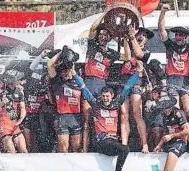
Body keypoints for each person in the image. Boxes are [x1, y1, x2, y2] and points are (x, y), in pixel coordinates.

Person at [74, 64, 141, 171]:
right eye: (103, 96)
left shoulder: (116, 103)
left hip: (112, 143)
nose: (105, 98)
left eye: (107, 96)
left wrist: (137, 73)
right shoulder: (95, 104)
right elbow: (83, 88)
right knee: (124, 148)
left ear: (112, 96)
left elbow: (128, 87)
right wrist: (74, 74)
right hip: (101, 143)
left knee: (125, 149)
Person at [159, 4, 189, 153]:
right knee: (174, 111)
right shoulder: (170, 46)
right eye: (177, 35)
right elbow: (161, 30)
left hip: (185, 82)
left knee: (188, 112)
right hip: (172, 82)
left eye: (181, 35)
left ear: (185, 37)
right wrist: (163, 12)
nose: (178, 37)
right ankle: (174, 140)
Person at [83, 18, 121, 152]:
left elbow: (127, 57)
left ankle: (100, 146)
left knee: (100, 120)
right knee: (87, 122)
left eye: (105, 35)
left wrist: (123, 35)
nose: (102, 37)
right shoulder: (92, 45)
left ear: (109, 38)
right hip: (89, 84)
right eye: (101, 35)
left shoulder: (112, 53)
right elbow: (93, 28)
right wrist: (106, 13)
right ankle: (85, 151)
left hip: (101, 86)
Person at [119, 24, 154, 153]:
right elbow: (128, 57)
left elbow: (139, 54)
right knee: (124, 115)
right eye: (140, 34)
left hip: (136, 83)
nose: (141, 37)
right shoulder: (130, 44)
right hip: (124, 83)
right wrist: (126, 38)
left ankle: (144, 144)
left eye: (144, 36)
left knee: (137, 114)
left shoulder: (146, 52)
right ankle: (124, 144)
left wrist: (132, 37)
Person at [153, 97, 189, 171]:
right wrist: (159, 144)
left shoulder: (179, 113)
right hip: (169, 142)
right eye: (163, 109)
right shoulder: (164, 116)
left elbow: (187, 131)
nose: (165, 111)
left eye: (167, 108)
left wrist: (173, 136)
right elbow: (165, 133)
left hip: (179, 142)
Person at [47, 47, 83, 153]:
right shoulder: (57, 82)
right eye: (62, 72)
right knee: (63, 149)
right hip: (62, 117)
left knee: (76, 149)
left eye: (66, 71)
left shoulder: (78, 81)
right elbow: (49, 65)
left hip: (76, 117)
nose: (64, 73)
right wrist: (62, 52)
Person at [0, 74, 27, 153]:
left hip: (15, 124)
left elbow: (23, 108)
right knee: (11, 151)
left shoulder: (19, 91)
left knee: (24, 150)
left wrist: (21, 119)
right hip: (4, 125)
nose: (18, 83)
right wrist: (2, 103)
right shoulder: (0, 91)